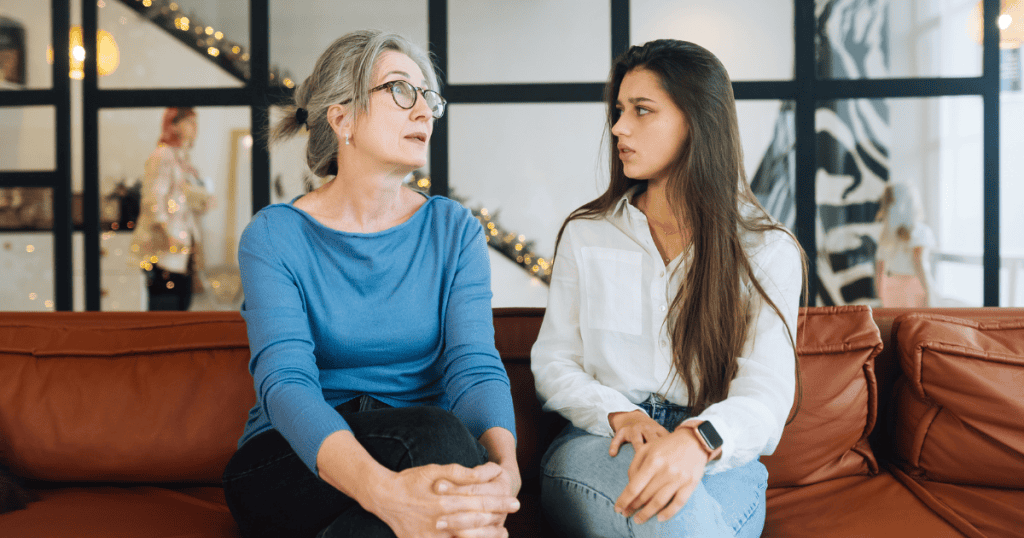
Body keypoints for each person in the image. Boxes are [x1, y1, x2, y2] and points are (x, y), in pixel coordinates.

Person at [222, 30, 520, 538]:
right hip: (292, 462)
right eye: (402, 90)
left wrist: (503, 472)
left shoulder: (455, 232)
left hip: (427, 455)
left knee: (429, 485)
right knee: (440, 440)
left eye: (429, 97)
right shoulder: (274, 236)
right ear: (342, 118)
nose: (424, 111)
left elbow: (473, 365)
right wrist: (386, 494)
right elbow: (286, 383)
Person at [531, 39, 806, 538]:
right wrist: (617, 412)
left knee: (684, 520)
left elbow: (766, 394)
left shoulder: (768, 249)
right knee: (677, 521)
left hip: (719, 454)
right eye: (619, 111)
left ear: (697, 123)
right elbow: (554, 362)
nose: (618, 127)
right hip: (601, 441)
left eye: (642, 111)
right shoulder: (588, 233)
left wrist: (699, 441)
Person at [132, 107, 210, 311]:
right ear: (175, 125)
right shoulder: (163, 155)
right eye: (190, 123)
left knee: (182, 303)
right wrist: (168, 232)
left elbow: (183, 198)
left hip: (181, 247)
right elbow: (153, 198)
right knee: (167, 304)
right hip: (166, 248)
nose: (195, 128)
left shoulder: (181, 159)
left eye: (195, 123)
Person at [875, 182, 936, 307]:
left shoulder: (885, 234)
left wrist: (880, 296)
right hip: (915, 287)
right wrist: (929, 292)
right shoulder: (920, 232)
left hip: (890, 286)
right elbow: (918, 262)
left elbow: (879, 269)